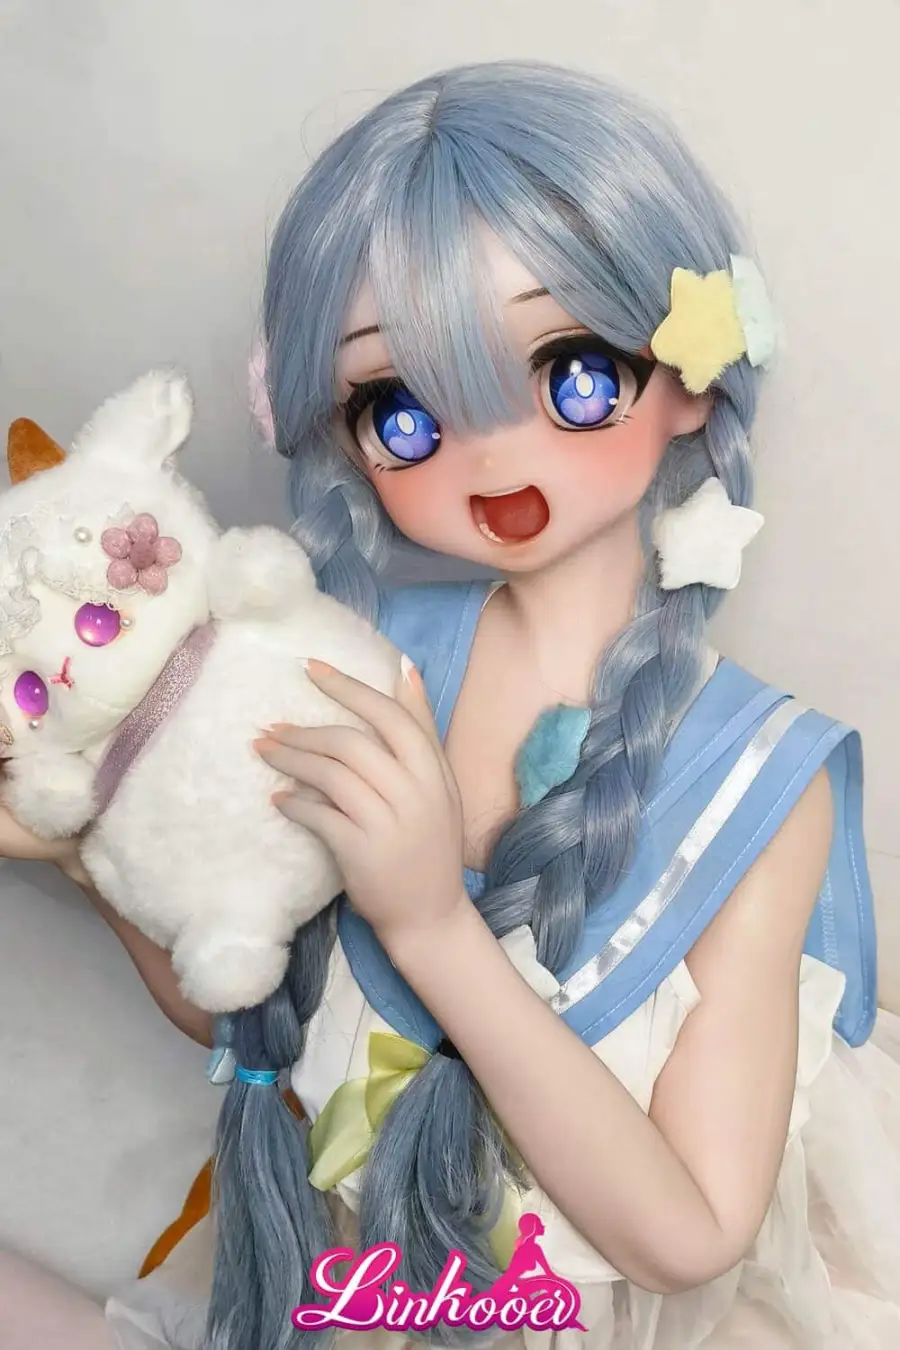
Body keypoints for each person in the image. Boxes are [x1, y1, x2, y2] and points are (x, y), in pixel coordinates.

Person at [2, 60, 899, 1350]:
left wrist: (429, 923)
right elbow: (250, 1017)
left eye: (571, 374)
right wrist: (86, 848)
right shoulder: (346, 656)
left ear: (693, 374)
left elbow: (693, 1230)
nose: (490, 458)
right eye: (405, 410)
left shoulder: (761, 775)